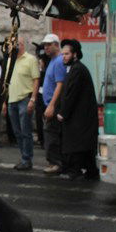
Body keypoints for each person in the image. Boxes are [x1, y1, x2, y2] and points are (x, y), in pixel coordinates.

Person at [57, 40, 100, 180]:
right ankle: (90, 170)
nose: (63, 56)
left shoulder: (77, 69)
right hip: (81, 117)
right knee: (84, 144)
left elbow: (71, 94)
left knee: (76, 143)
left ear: (75, 54)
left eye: (67, 54)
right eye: (62, 54)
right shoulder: (75, 68)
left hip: (79, 117)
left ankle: (75, 171)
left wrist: (63, 113)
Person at [6, 37, 40, 171]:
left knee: (25, 132)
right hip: (12, 100)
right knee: (17, 132)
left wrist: (33, 99)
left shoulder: (30, 59)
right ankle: (23, 157)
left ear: (22, 45)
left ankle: (27, 159)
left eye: (17, 44)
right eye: (12, 44)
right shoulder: (9, 60)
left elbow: (36, 80)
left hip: (24, 99)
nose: (14, 46)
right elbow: (7, 82)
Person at [40, 33, 66, 175]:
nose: (46, 47)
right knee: (50, 134)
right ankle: (54, 162)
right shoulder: (53, 61)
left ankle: (56, 163)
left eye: (49, 45)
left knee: (51, 135)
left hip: (53, 105)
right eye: (45, 45)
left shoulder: (58, 61)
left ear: (57, 45)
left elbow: (60, 85)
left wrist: (51, 105)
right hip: (50, 104)